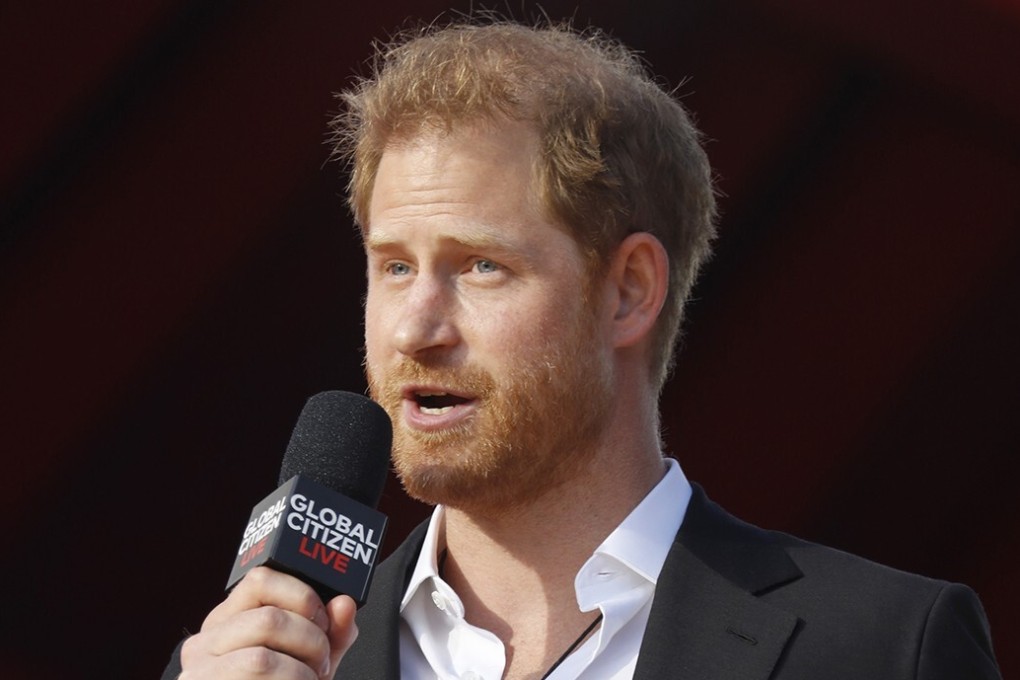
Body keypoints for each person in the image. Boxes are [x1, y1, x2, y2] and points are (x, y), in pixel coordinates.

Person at [164, 19, 1001, 680]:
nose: (416, 329)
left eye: (481, 265)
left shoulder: (884, 649)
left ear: (629, 289)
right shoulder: (248, 662)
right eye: (394, 267)